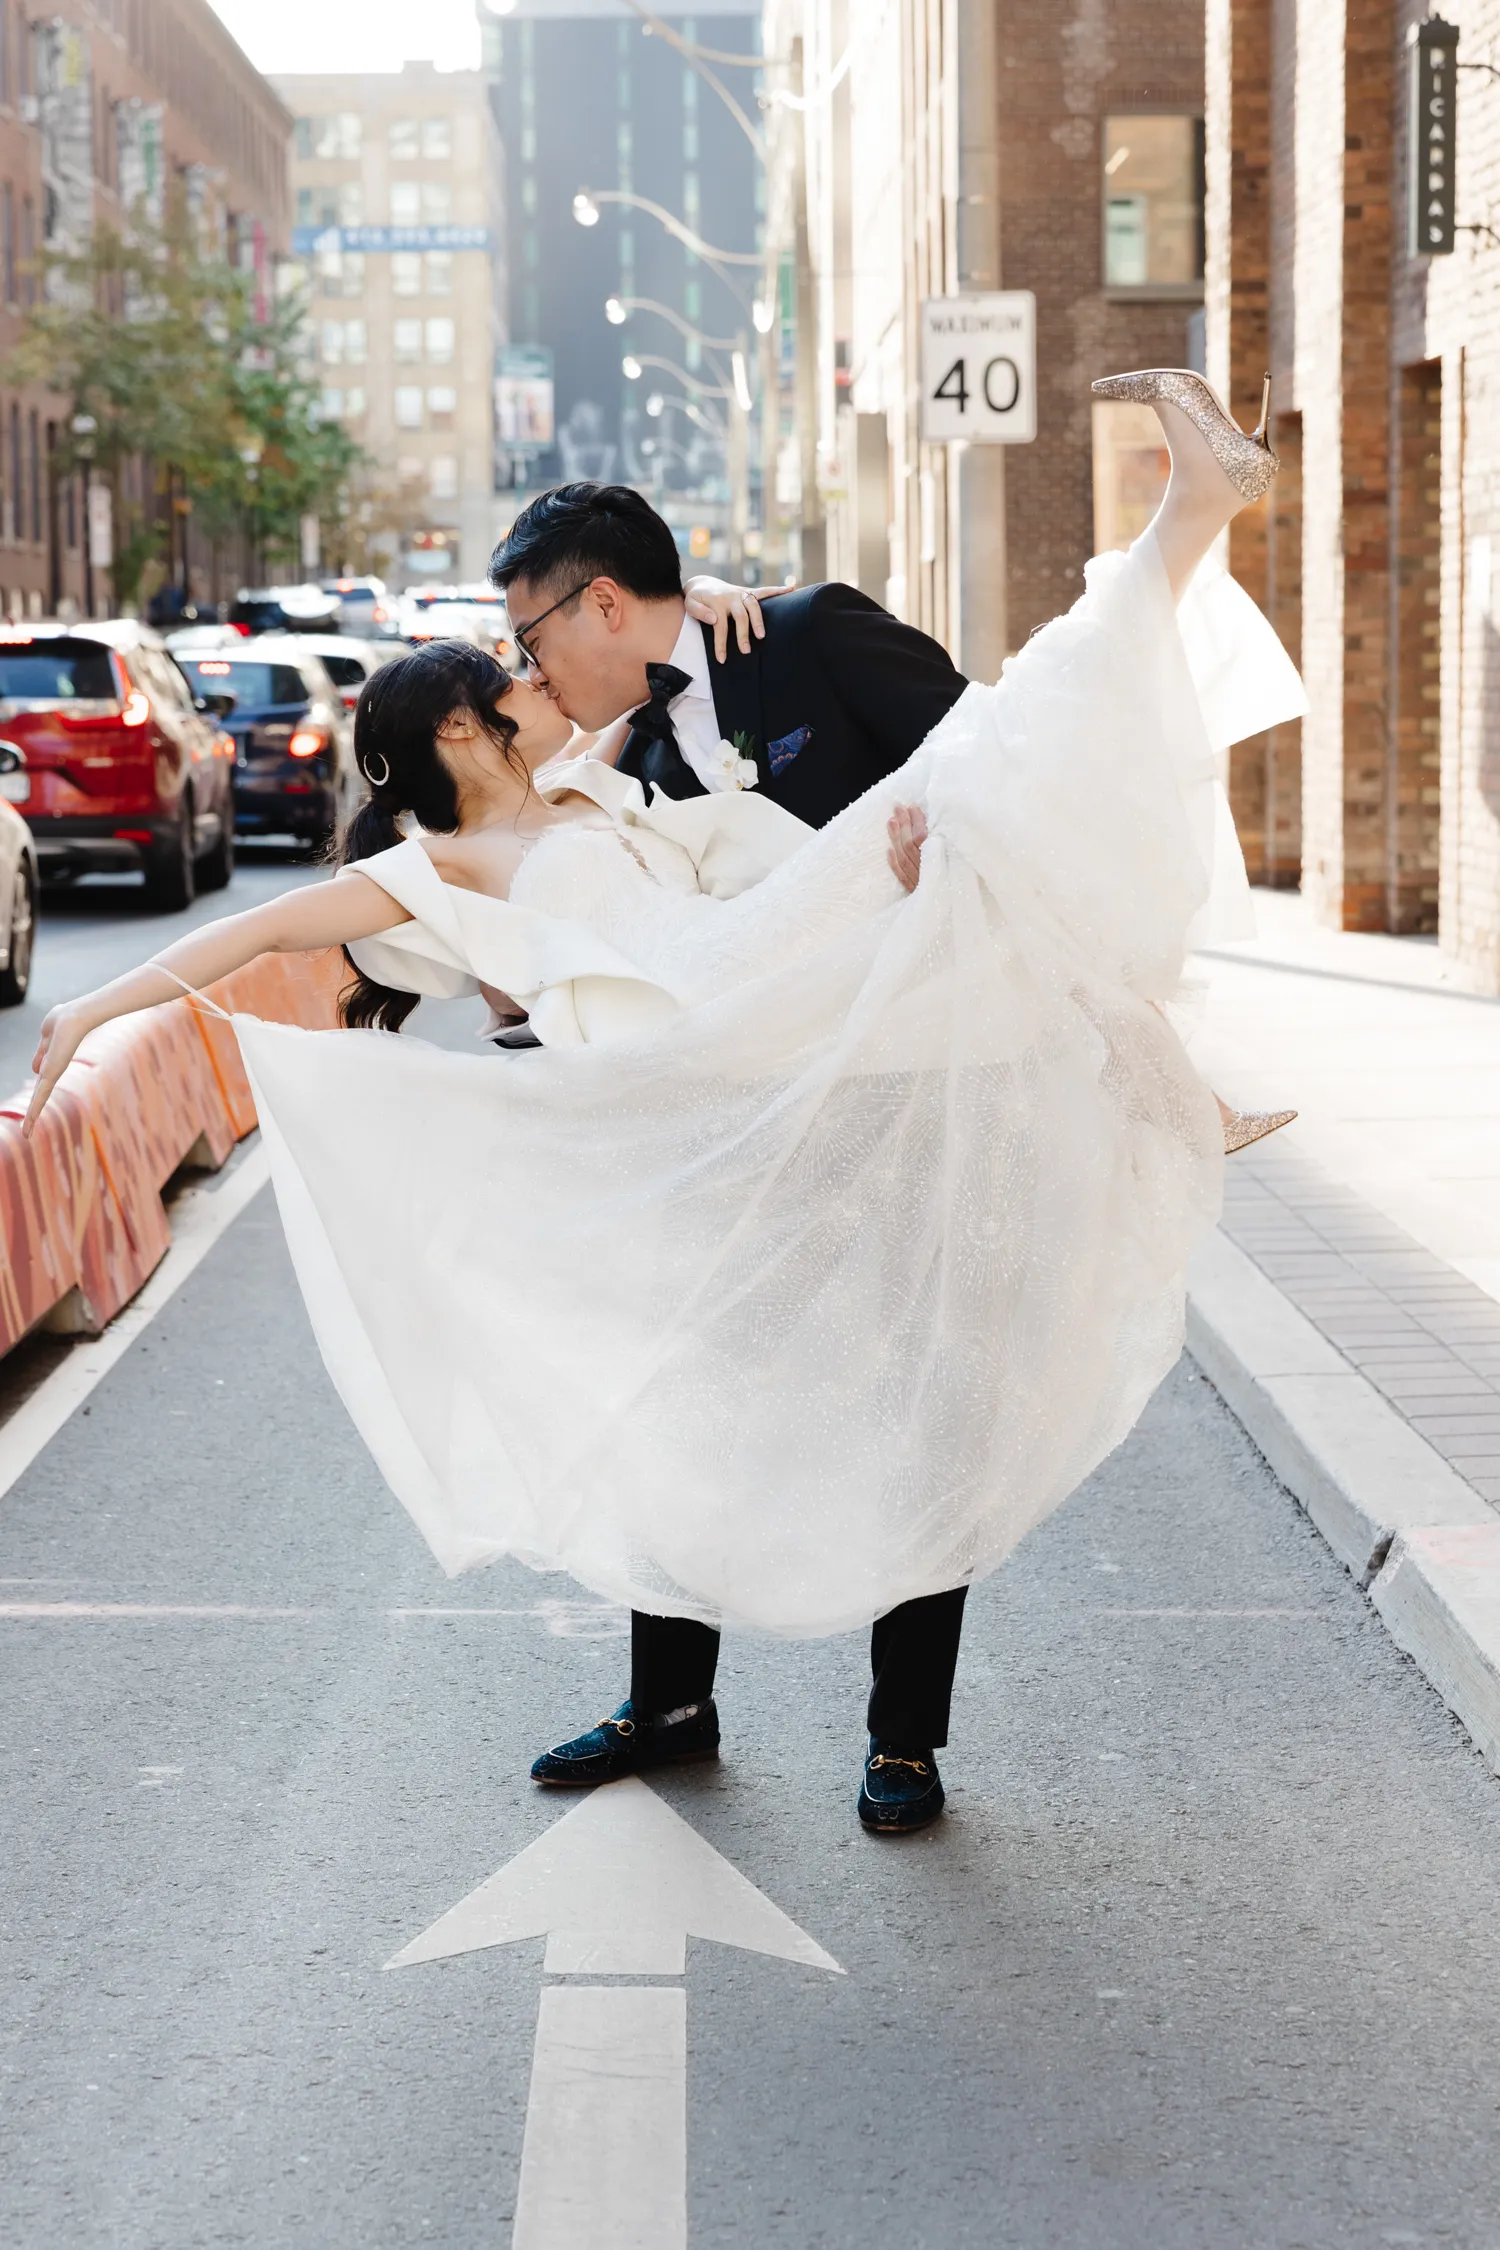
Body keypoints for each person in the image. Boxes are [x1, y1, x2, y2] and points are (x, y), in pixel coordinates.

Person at [25, 369, 1305, 1839]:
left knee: (983, 792)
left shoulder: (626, 747)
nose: (528, 673)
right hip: (709, 1052)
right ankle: (671, 1702)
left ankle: (905, 1739)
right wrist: (95, 1005)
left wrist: (711, 616)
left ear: (604, 607)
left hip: (815, 1019)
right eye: (504, 670)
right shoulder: (466, 847)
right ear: (461, 737)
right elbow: (255, 934)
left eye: (530, 639)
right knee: (673, 1394)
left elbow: (707, 731)